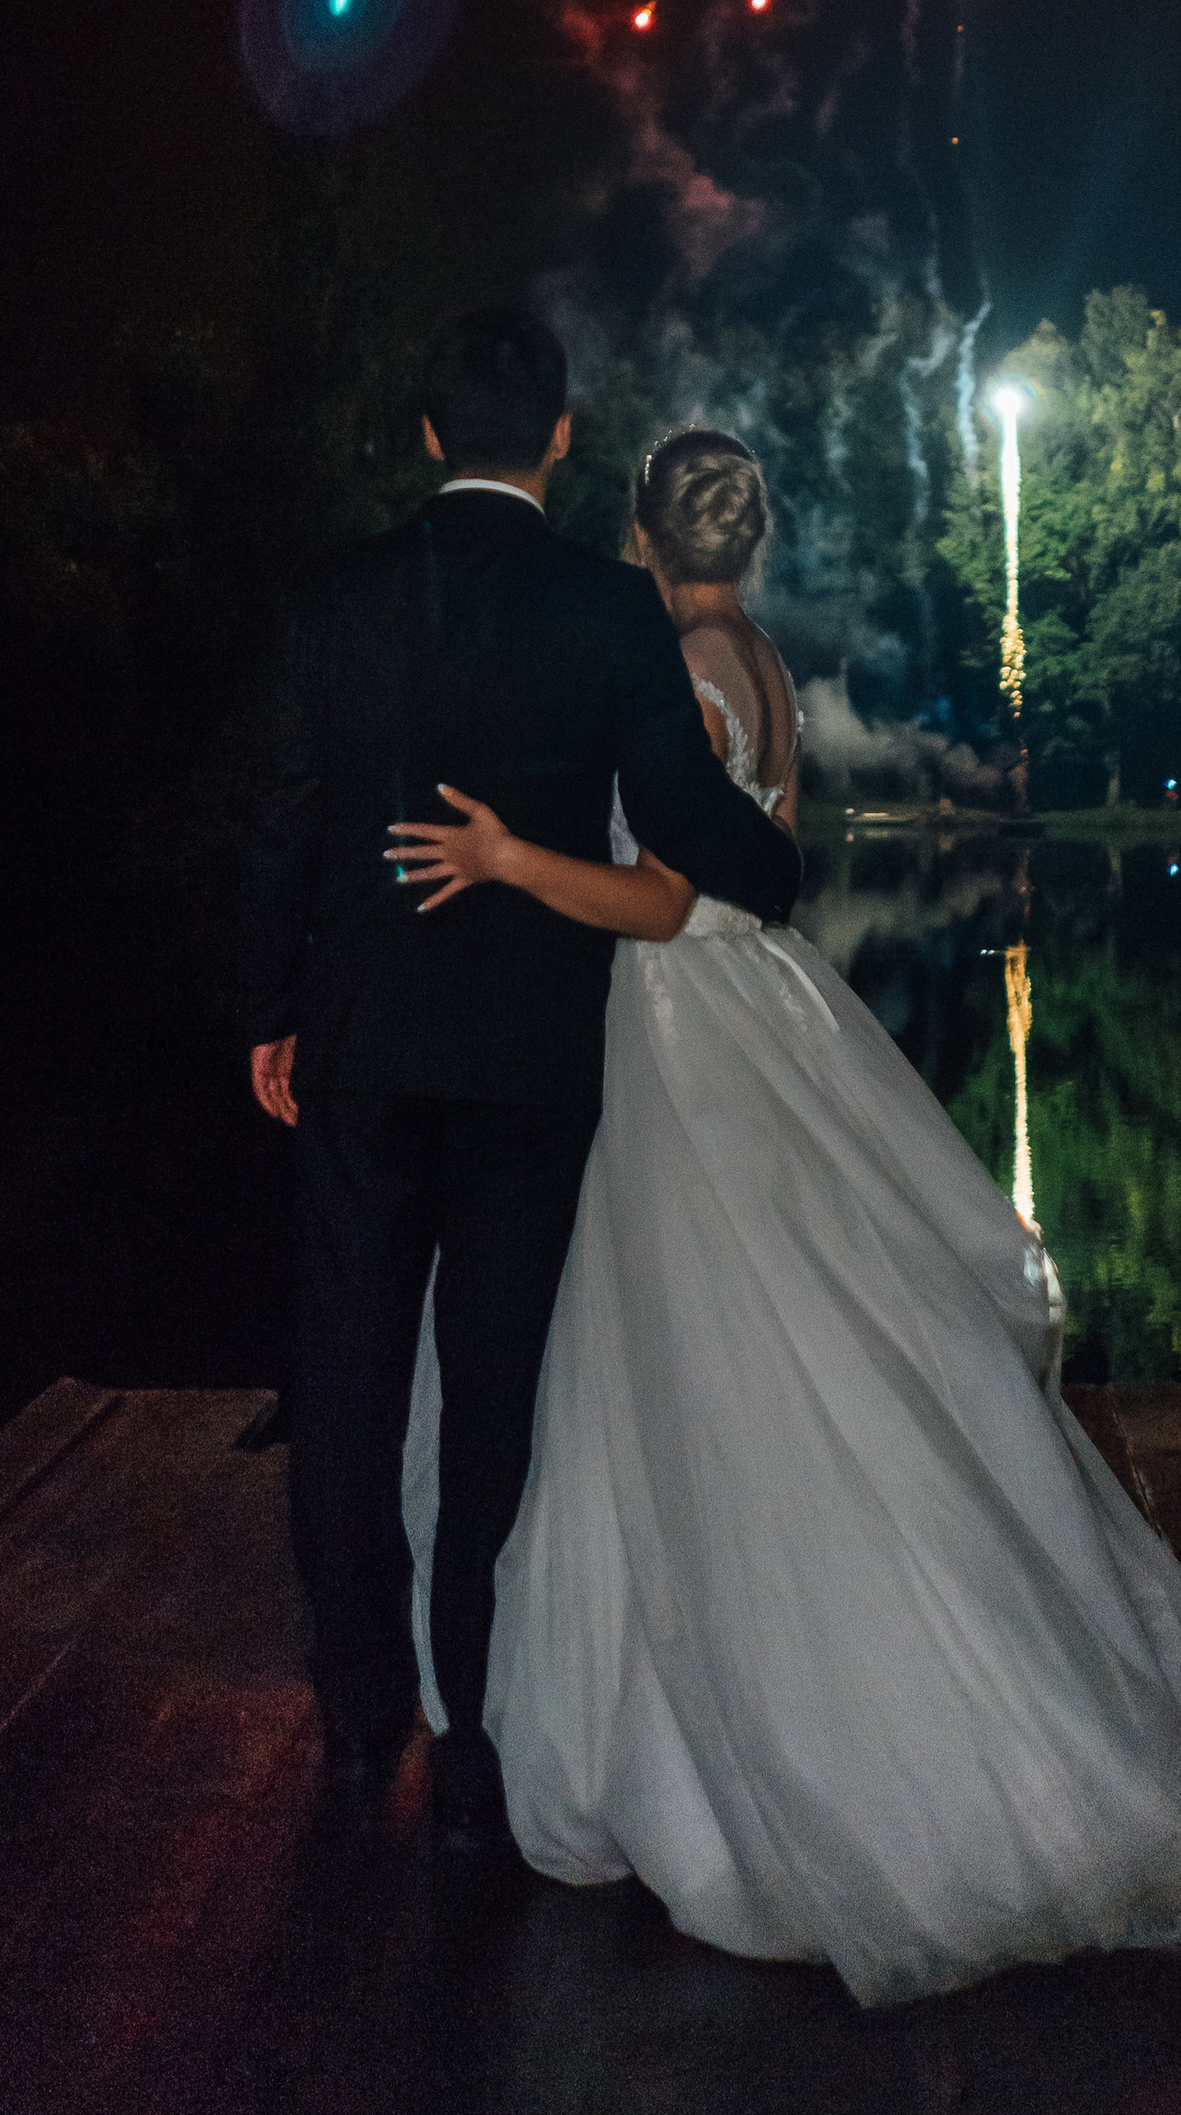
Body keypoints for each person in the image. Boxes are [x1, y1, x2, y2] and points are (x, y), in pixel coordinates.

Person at [386, 424, 1181, 2007]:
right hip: (764, 1012)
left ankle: (782, 1723)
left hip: (683, 1023)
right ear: (749, 539)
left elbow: (670, 895)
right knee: (797, 1328)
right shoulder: (765, 656)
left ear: (642, 538)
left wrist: (513, 860)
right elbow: (762, 855)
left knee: (711, 1344)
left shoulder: (679, 664)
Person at [238, 316, 803, 1849]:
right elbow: (684, 806)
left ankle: (360, 1701)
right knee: (496, 1377)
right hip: (528, 1060)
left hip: (358, 1043)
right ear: (558, 437)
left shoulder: (331, 598)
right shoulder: (610, 608)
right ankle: (473, 1711)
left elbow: (279, 819)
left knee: (344, 1372)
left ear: (428, 435)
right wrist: (783, 872)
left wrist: (269, 1011)